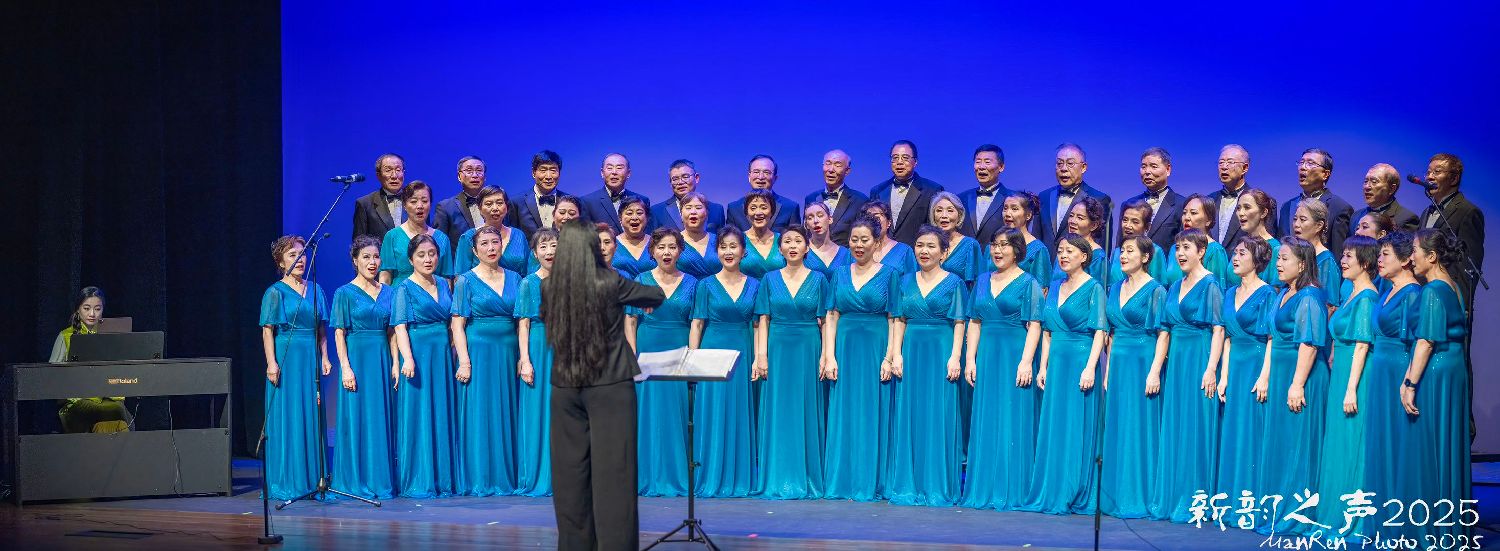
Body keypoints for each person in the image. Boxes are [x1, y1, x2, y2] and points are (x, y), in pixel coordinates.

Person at [543, 220, 666, 551]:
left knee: (570, 473)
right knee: (615, 472)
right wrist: (636, 299)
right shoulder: (611, 281)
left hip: (565, 387)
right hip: (610, 385)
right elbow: (655, 294)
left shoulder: (548, 286)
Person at [1023, 233, 1107, 515]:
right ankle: (1053, 485)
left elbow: (1100, 331)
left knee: (1075, 424)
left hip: (1080, 360)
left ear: (1084, 256)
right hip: (1056, 363)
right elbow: (1047, 331)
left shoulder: (1094, 287)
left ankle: (1074, 488)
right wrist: (1043, 366)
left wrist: (1090, 367)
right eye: (1060, 251)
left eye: (1070, 251)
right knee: (1055, 423)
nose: (1063, 255)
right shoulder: (1056, 286)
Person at [960, 229, 1044, 511]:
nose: (997, 250)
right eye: (995, 245)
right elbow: (974, 321)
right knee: (987, 415)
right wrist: (970, 359)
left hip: (1014, 354)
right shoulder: (983, 280)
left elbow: (1035, 324)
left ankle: (1013, 488)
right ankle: (984, 486)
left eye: (1004, 245)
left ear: (1017, 250)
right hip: (987, 355)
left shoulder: (1029, 282)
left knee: (1013, 415)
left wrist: (1026, 361)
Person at [884, 226, 967, 506]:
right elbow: (898, 319)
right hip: (911, 350)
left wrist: (955, 357)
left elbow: (960, 322)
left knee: (938, 412)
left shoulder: (954, 282)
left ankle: (936, 483)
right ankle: (909, 482)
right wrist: (895, 354)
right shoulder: (904, 280)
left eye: (931, 246)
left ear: (943, 252)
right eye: (919, 245)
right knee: (911, 412)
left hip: (941, 349)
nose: (924, 251)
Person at [1253, 236, 1329, 536]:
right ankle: (1278, 507)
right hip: (1282, 373)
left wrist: (1297, 385)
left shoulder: (1310, 296)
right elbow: (1274, 337)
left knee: (1298, 443)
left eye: (1285, 258)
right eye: (1278, 258)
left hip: (1302, 376)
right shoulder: (1284, 292)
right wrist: (1266, 376)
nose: (1278, 263)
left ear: (1302, 264)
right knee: (1282, 442)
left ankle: (1298, 512)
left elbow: (1309, 344)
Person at [822, 217, 900, 502]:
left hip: (875, 347)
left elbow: (894, 318)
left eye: (864, 239)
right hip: (845, 348)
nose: (858, 244)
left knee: (872, 410)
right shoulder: (839, 274)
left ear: (876, 242)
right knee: (845, 410)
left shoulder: (890, 274)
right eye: (854, 240)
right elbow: (831, 315)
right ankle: (843, 480)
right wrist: (829, 355)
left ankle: (871, 479)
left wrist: (889, 356)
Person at [1402, 229, 1473, 543]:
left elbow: (1426, 341)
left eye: (1415, 250)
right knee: (1447, 442)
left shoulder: (1432, 290)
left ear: (1431, 256)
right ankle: (1449, 525)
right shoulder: (1453, 286)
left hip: (1437, 369)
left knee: (1430, 443)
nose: (1411, 257)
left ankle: (1430, 528)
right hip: (1453, 369)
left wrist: (1409, 383)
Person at [1151, 229, 1225, 523]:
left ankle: (1195, 498)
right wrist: (1156, 369)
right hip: (1178, 361)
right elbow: (1165, 332)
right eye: (1178, 248)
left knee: (1196, 425)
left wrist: (1211, 368)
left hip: (1200, 356)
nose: (1180, 253)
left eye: (1186, 248)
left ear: (1201, 251)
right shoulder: (1174, 287)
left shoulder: (1211, 285)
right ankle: (1172, 496)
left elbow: (1218, 329)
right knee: (1177, 424)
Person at [753, 225, 830, 499]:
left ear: (807, 247)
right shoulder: (769, 279)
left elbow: (826, 321)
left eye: (798, 241)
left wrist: (826, 354)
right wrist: (761, 355)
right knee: (780, 407)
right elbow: (763, 319)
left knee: (806, 406)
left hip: (808, 346)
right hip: (778, 347)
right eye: (787, 241)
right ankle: (778, 475)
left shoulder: (819, 279)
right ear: (780, 248)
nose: (793, 245)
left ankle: (807, 476)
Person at [449, 226, 523, 496]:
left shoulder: (515, 278)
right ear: (474, 250)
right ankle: (479, 477)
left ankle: (507, 476)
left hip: (508, 354)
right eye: (485, 244)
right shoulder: (465, 281)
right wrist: (464, 361)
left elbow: (522, 322)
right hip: (479, 353)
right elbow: (457, 325)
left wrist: (523, 357)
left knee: (507, 412)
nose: (491, 248)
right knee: (480, 413)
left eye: (495, 242)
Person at [626, 228, 701, 497]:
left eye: (672, 247)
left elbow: (696, 323)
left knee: (678, 412)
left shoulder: (693, 283)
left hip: (679, 350)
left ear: (680, 251)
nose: (666, 252)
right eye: (661, 247)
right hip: (648, 351)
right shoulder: (641, 280)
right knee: (649, 412)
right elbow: (630, 321)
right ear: (652, 251)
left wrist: (692, 357)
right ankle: (648, 474)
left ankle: (677, 474)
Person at [1100, 235, 1167, 519]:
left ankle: (1139, 494)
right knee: (1119, 423)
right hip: (1119, 361)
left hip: (1143, 359)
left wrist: (1154, 371)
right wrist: (1107, 370)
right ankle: (1116, 494)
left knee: (1139, 425)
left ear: (1146, 257)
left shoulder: (1156, 290)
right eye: (1122, 251)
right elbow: (1112, 333)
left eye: (1130, 251)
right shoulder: (1115, 287)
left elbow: (1163, 333)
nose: (1123, 256)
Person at [1315, 235, 1379, 536]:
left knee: (1352, 440)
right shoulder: (1351, 292)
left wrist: (1351, 388)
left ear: (1364, 263)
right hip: (1341, 369)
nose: (1342, 260)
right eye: (1343, 255)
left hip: (1355, 376)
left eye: (1349, 256)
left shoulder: (1367, 297)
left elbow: (1362, 344)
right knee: (1339, 441)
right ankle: (1335, 509)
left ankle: (1354, 517)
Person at [691, 225, 761, 498]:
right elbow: (697, 324)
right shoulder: (705, 285)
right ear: (716, 251)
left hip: (743, 352)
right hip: (712, 353)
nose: (728, 251)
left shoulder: (755, 284)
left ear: (743, 251)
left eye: (733, 246)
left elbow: (758, 325)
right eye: (723, 247)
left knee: (739, 412)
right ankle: (711, 474)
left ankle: (740, 477)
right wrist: (693, 360)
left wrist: (758, 358)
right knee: (714, 412)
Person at [260, 236, 329, 500]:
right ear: (280, 262)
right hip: (286, 357)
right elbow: (268, 330)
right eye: (293, 255)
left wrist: (325, 357)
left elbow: (322, 329)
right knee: (289, 414)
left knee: (311, 413)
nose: (300, 259)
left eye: (302, 254)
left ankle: (314, 479)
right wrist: (271, 363)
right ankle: (289, 478)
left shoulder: (316, 289)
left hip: (309, 357)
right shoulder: (275, 292)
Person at [390, 234, 457, 498]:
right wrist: (407, 358)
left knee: (441, 411)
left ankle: (443, 478)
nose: (428, 259)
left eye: (432, 254)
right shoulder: (404, 288)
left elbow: (451, 322)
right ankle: (420, 477)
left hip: (442, 355)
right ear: (411, 259)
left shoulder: (443, 283)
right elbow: (400, 326)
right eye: (421, 255)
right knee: (419, 413)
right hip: (418, 353)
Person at [1364, 231, 1421, 539]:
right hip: (1380, 370)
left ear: (1406, 259)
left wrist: (1408, 380)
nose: (1380, 259)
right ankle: (1381, 514)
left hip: (1397, 369)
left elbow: (1416, 342)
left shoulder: (1412, 293)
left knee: (1397, 439)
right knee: (1381, 438)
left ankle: (1400, 518)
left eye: (1385, 254)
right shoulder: (1387, 288)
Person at [330, 237, 397, 499]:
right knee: (357, 417)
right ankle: (355, 479)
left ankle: (380, 480)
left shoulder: (389, 292)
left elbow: (392, 333)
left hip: (381, 358)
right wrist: (345, 368)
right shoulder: (344, 293)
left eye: (376, 257)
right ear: (355, 261)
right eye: (366, 257)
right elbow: (339, 333)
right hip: (357, 358)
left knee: (380, 417)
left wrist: (395, 363)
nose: (372, 262)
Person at [1215, 237, 1277, 517]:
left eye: (1242, 253)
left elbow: (1271, 338)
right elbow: (1228, 338)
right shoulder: (1229, 293)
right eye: (1235, 253)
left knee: (1252, 430)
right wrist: (1224, 376)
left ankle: (1250, 501)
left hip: (1255, 363)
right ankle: (1231, 501)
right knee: (1234, 429)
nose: (1235, 258)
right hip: (1235, 366)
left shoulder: (1267, 294)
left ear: (1257, 259)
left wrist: (1264, 376)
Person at [515, 229, 560, 497]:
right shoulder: (528, 283)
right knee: (538, 412)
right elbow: (523, 324)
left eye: (554, 245)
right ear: (534, 253)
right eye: (543, 247)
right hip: (540, 346)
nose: (549, 251)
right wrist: (525, 360)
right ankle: (540, 475)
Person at [49, 286, 130, 433]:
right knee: (103, 411)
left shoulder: (111, 336)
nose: (92, 314)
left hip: (108, 397)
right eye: (86, 308)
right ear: (78, 310)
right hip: (77, 400)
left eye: (97, 309)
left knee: (118, 410)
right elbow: (52, 374)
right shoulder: (66, 336)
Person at [1419, 153, 1483, 314]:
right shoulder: (1426, 212)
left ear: (1454, 179)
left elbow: (1468, 263)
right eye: (1428, 172)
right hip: (1424, 295)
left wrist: (1461, 306)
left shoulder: (1468, 211)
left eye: (1437, 172)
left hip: (1448, 299)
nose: (1430, 177)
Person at [1038, 143, 1114, 253]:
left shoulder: (1100, 199)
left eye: (1070, 163)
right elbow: (1037, 238)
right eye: (1059, 163)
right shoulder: (1044, 197)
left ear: (1083, 167)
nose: (1063, 168)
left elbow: (1101, 246)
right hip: (1045, 263)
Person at [1278, 148, 1354, 256]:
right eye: (1301, 162)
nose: (1303, 167)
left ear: (1325, 174)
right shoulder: (1287, 207)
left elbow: (1337, 254)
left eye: (1310, 163)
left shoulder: (1339, 208)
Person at [868, 140, 943, 245]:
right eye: (895, 158)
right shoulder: (877, 190)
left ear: (915, 162)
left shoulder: (932, 190)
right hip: (882, 252)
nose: (899, 162)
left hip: (915, 252)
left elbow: (935, 230)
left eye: (905, 158)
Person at [380, 181, 453, 284]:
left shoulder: (442, 238)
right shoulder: (392, 236)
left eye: (424, 201)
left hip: (433, 292)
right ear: (404, 205)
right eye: (413, 201)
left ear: (430, 204)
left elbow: (446, 279)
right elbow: (385, 276)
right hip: (401, 293)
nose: (420, 206)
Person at [453, 186, 532, 276]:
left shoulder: (519, 235)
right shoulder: (468, 237)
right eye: (489, 204)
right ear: (480, 209)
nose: (495, 208)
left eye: (499, 203)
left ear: (506, 207)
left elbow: (528, 271)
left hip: (517, 284)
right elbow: (460, 275)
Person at [1209, 144, 1277, 246]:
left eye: (1230, 162)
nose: (1224, 167)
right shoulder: (1209, 200)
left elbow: (1266, 243)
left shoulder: (1262, 202)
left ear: (1245, 168)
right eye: (1221, 162)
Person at [1121, 147, 1185, 252]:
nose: (1147, 171)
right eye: (1143, 167)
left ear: (1168, 169)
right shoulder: (1128, 204)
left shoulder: (1181, 205)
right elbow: (1120, 244)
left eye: (1153, 166)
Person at [1161, 194, 1232, 287]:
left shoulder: (1214, 251)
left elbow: (1216, 290)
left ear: (1208, 220)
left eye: (1193, 213)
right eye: (1184, 213)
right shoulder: (1175, 248)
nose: (1186, 218)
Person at [804, 149, 868, 246]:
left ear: (847, 171)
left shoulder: (860, 201)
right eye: (828, 163)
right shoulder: (811, 198)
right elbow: (806, 233)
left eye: (837, 165)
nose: (831, 170)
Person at [956, 144, 1014, 245]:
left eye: (987, 162)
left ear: (1001, 167)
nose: (981, 167)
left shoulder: (1012, 199)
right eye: (978, 162)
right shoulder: (961, 199)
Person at [649, 159, 726, 234]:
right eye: (675, 179)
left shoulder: (716, 210)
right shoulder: (657, 211)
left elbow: (722, 240)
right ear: (670, 183)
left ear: (696, 178)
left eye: (685, 177)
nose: (680, 182)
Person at [727, 154, 801, 232]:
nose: (761, 177)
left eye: (766, 172)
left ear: (775, 178)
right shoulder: (734, 209)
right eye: (756, 172)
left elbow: (796, 237)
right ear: (749, 176)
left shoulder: (790, 208)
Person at [1291, 199, 1343, 308]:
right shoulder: (1294, 255)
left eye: (1302, 220)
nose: (1296, 224)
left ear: (1319, 225)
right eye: (1295, 219)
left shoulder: (1326, 261)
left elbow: (1330, 306)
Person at [581, 153, 650, 234]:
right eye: (609, 168)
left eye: (619, 168)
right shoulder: (587, 202)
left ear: (628, 173)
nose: (614, 172)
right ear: (602, 173)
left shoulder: (643, 200)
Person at [510, 150, 573, 237]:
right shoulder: (517, 202)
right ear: (533, 173)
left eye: (553, 170)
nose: (548, 176)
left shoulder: (570, 202)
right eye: (543, 170)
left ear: (559, 173)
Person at [433, 155, 488, 248]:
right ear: (459, 176)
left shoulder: (497, 204)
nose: (475, 175)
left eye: (479, 170)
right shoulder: (446, 207)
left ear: (485, 176)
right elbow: (439, 246)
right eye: (469, 171)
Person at [1108, 199, 1167, 286]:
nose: (1128, 226)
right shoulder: (1117, 252)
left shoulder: (1154, 252)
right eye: (1125, 220)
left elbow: (1159, 287)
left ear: (1147, 227)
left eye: (1135, 222)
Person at [929, 192, 984, 284]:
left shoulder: (970, 245)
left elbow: (979, 283)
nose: (944, 216)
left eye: (950, 211)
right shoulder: (927, 243)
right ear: (933, 216)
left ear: (959, 215)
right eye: (939, 210)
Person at [1352, 163, 1420, 236]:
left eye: (1374, 182)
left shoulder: (1406, 219)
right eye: (1366, 181)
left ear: (1391, 189)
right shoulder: (1356, 216)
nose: (1367, 187)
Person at [353, 153, 409, 241]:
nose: (394, 176)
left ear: (403, 173)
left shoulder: (416, 201)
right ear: (378, 175)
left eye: (398, 170)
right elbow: (359, 243)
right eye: (388, 170)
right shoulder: (365, 204)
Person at [1003, 191, 1053, 284]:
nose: (1007, 214)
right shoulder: (994, 245)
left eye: (1014, 209)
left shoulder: (1037, 250)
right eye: (1005, 208)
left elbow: (1041, 287)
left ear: (1028, 215)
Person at [1237, 189, 1282, 286]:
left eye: (1247, 207)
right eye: (1238, 208)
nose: (1241, 213)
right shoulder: (1240, 246)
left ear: (1263, 213)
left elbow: (1275, 289)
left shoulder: (1275, 248)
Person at [674, 192, 723, 279]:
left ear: (707, 213)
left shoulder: (719, 241)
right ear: (681, 214)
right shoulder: (673, 241)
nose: (693, 212)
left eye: (698, 207)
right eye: (688, 208)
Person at [1059, 196, 1109, 283]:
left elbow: (1098, 289)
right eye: (1071, 216)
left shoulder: (1098, 257)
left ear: (1094, 225)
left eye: (1080, 218)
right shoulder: (1063, 250)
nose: (1072, 221)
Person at [739, 190, 787, 279]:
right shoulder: (739, 240)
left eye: (764, 208)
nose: (758, 213)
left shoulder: (783, 240)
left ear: (772, 211)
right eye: (753, 208)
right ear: (746, 213)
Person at [860, 201, 917, 275]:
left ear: (889, 223)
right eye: (868, 217)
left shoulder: (904, 251)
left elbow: (912, 278)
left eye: (876, 217)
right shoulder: (856, 249)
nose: (873, 221)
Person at [802, 202, 851, 279]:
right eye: (810, 218)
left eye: (820, 215)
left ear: (830, 219)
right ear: (807, 225)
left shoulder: (846, 254)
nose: (815, 221)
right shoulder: (801, 251)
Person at [612, 197, 657, 278]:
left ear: (647, 217)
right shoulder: (611, 244)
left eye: (639, 213)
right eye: (629, 213)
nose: (634, 217)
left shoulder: (656, 243)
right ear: (620, 218)